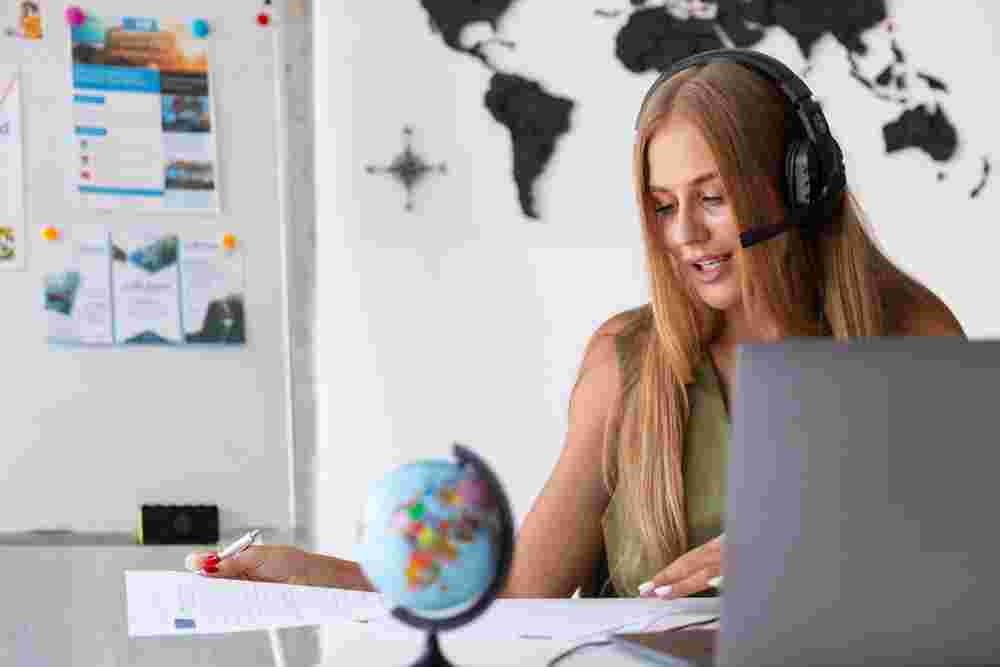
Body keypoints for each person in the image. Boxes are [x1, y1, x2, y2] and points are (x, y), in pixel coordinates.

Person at [185, 49, 964, 599]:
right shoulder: (628, 362)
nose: (685, 234)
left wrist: (812, 558)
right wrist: (317, 575)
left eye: (712, 197)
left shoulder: (911, 335)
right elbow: (520, 595)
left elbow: (967, 572)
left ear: (797, 184)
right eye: (664, 206)